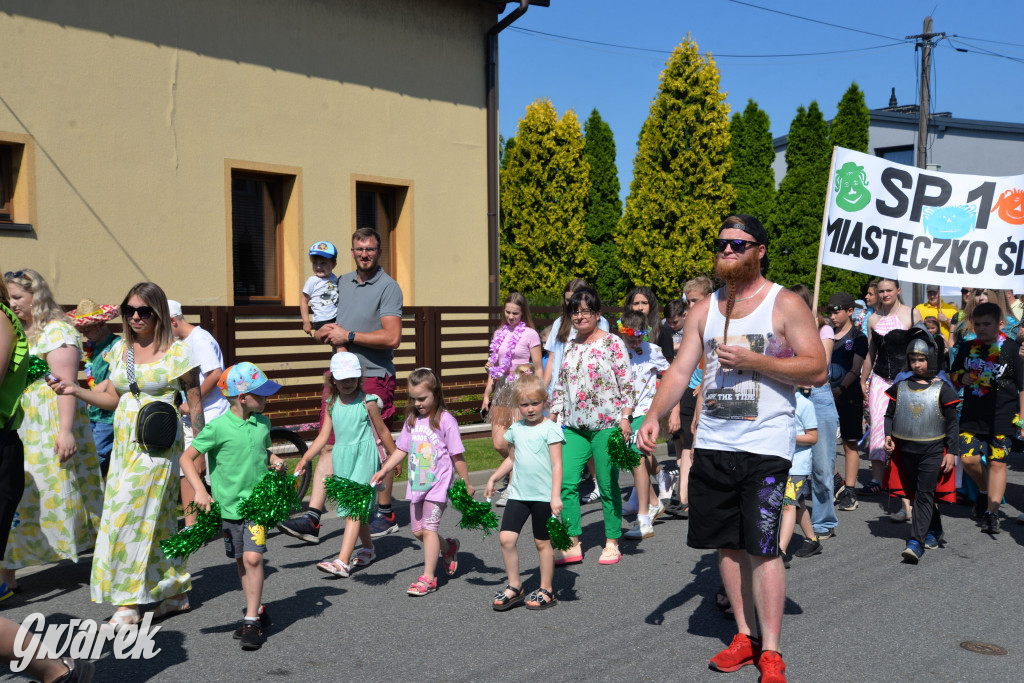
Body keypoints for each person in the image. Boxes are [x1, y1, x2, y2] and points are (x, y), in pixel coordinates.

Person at [637, 215, 827, 683]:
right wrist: (653, 415)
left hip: (765, 445)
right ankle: (744, 635)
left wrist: (756, 360)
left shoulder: (782, 303)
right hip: (715, 443)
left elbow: (818, 369)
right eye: (720, 243)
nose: (726, 250)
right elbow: (680, 370)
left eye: (737, 244)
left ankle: (772, 651)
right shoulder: (706, 310)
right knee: (726, 542)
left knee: (762, 547)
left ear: (759, 249)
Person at [50, 281, 203, 626]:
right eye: (129, 310)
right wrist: (75, 390)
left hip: (159, 449)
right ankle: (175, 592)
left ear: (158, 313)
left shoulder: (178, 352)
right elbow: (113, 397)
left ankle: (128, 602)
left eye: (143, 311)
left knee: (125, 518)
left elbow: (194, 400)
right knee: (159, 521)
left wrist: (199, 450)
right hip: (125, 449)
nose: (134, 316)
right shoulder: (122, 350)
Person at [0, 275, 95, 683]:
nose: (14, 302)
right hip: (25, 426)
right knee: (22, 514)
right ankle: (9, 576)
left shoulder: (54, 331)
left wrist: (65, 430)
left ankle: (56, 671)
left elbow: (65, 386)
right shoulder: (23, 327)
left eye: (18, 296)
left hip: (41, 426)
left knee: (52, 504)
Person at [288, 228, 403, 543]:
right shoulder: (341, 283)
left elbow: (392, 337)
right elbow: (323, 315)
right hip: (340, 376)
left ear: (379, 251)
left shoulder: (389, 287)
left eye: (370, 249)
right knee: (329, 443)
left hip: (374, 374)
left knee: (375, 444)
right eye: (359, 248)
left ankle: (385, 512)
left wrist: (349, 336)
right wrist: (319, 331)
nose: (364, 254)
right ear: (351, 252)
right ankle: (313, 517)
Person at [180, 362, 285, 650]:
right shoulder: (217, 428)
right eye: (260, 395)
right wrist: (200, 490)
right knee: (242, 559)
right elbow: (186, 459)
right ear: (242, 397)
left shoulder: (263, 423)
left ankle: (250, 621)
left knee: (253, 558)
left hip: (257, 508)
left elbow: (260, 450)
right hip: (229, 508)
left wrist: (272, 460)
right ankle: (258, 610)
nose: (266, 399)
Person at [550, 286, 635, 567]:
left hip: (606, 425)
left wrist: (625, 418)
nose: (580, 316)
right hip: (574, 427)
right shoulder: (571, 345)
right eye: (575, 311)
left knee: (608, 484)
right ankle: (572, 542)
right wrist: (553, 416)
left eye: (586, 310)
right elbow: (561, 385)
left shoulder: (612, 343)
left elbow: (627, 384)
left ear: (598, 314)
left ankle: (612, 542)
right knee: (567, 482)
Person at [294, 352, 396, 578]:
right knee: (357, 510)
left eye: (352, 378)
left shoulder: (368, 402)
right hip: (343, 460)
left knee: (353, 508)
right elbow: (323, 437)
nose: (347, 383)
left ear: (360, 378)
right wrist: (305, 458)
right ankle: (368, 549)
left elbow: (382, 431)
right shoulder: (331, 404)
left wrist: (393, 456)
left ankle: (342, 561)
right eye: (342, 379)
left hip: (364, 458)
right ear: (333, 381)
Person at [371, 368, 470, 596]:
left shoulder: (446, 421)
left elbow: (457, 455)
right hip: (418, 484)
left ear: (435, 393)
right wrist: (384, 467)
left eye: (422, 398)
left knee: (429, 529)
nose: (418, 403)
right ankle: (449, 548)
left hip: (439, 485)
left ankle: (428, 577)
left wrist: (465, 482)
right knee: (419, 532)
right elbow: (401, 450)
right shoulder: (412, 421)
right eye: (414, 398)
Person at [485, 373, 564, 611]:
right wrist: (494, 477)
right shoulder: (516, 429)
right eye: (524, 405)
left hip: (543, 497)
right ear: (517, 405)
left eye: (535, 403)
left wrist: (555, 495)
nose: (530, 409)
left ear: (545, 400)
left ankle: (547, 589)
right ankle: (515, 586)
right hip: (518, 494)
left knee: (542, 543)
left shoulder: (551, 429)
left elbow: (557, 465)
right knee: (506, 538)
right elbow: (512, 458)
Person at [883, 330, 959, 563]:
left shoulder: (942, 388)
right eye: (913, 360)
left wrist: (952, 453)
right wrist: (888, 437)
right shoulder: (901, 387)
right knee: (918, 495)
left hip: (932, 450)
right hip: (905, 450)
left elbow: (952, 423)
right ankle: (934, 530)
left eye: (922, 359)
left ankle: (916, 542)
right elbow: (889, 416)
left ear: (931, 359)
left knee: (925, 494)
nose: (917, 364)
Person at [950, 302, 1024, 535]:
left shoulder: (1012, 350)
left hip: (1003, 416)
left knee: (997, 462)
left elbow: (1023, 387)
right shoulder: (968, 347)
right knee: (969, 459)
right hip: (972, 415)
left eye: (987, 324)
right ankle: (984, 492)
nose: (981, 329)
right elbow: (953, 372)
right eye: (978, 324)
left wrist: (1023, 418)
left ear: (1000, 325)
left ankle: (992, 513)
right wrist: (962, 379)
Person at [543, 278, 610, 505]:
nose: (572, 303)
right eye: (568, 298)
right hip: (559, 392)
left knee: (586, 444)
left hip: (586, 396)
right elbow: (552, 358)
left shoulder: (602, 324)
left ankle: (600, 483)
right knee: (557, 442)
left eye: (577, 297)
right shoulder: (559, 324)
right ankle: (558, 489)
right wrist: (545, 388)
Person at [860, 278, 921, 511]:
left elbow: (923, 346)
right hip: (879, 379)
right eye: (881, 291)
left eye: (888, 290)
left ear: (898, 291)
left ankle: (904, 477)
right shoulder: (873, 319)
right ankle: (877, 480)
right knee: (876, 425)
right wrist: (863, 379)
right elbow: (870, 352)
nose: (885, 294)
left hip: (904, 379)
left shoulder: (911, 314)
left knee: (903, 427)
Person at [168, 300, 230, 526]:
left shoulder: (200, 339)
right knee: (188, 468)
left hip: (211, 414)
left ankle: (236, 518)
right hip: (192, 415)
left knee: (216, 471)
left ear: (173, 321)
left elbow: (215, 374)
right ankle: (191, 525)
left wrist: (194, 400)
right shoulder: (184, 341)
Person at [480, 293, 542, 506]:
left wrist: (535, 392)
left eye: (515, 313)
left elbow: (537, 367)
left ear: (523, 312)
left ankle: (513, 486)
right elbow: (494, 367)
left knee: (516, 440)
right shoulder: (499, 333)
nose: (510, 316)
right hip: (502, 390)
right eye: (507, 312)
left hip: (521, 389)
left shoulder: (530, 334)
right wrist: (487, 393)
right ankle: (525, 468)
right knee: (499, 442)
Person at [789, 285, 840, 541]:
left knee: (821, 467)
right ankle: (784, 516)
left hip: (817, 397)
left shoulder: (823, 329)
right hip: (790, 395)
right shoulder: (784, 329)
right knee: (786, 465)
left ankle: (823, 521)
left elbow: (822, 365)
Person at [616, 309, 670, 539]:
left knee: (636, 456)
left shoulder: (653, 351)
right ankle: (657, 494)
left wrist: (668, 406)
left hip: (644, 411)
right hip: (620, 413)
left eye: (640, 337)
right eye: (631, 338)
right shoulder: (615, 350)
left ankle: (645, 518)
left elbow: (669, 373)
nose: (636, 341)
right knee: (632, 458)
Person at [667, 276, 714, 518]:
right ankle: (683, 495)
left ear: (708, 297)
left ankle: (700, 494)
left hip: (709, 391)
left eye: (695, 300)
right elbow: (684, 363)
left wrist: (706, 383)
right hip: (691, 388)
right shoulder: (691, 324)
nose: (691, 306)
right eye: (688, 301)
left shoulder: (716, 321)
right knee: (688, 440)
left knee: (701, 444)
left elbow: (711, 358)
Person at [67, 298, 121, 478]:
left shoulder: (117, 345)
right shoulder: (93, 346)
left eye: (87, 329)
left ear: (100, 324)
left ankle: (97, 496)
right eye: (81, 330)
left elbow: (119, 375)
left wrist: (105, 384)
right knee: (89, 455)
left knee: (97, 458)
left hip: (108, 414)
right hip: (95, 411)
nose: (84, 334)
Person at [826, 292, 868, 515]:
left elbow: (855, 368)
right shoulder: (825, 334)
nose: (832, 315)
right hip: (825, 394)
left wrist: (840, 388)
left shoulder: (859, 337)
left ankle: (850, 490)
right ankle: (836, 482)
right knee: (824, 442)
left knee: (850, 443)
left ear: (850, 311)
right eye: (830, 311)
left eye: (837, 311)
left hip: (848, 394)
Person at [778, 388, 819, 563]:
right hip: (780, 462)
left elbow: (813, 437)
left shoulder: (805, 404)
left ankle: (781, 550)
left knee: (788, 504)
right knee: (798, 502)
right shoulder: (776, 402)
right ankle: (813, 540)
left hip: (798, 465)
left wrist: (789, 436)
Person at [300, 240, 340, 335]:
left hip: (336, 318)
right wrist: (306, 322)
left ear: (333, 264)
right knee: (338, 341)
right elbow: (304, 301)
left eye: (323, 263)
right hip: (321, 321)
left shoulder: (334, 278)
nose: (318, 267)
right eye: (315, 263)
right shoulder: (312, 281)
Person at [625, 286, 675, 361]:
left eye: (644, 303)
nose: (640, 308)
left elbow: (668, 364)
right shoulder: (624, 331)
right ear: (630, 306)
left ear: (651, 305)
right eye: (636, 303)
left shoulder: (663, 332)